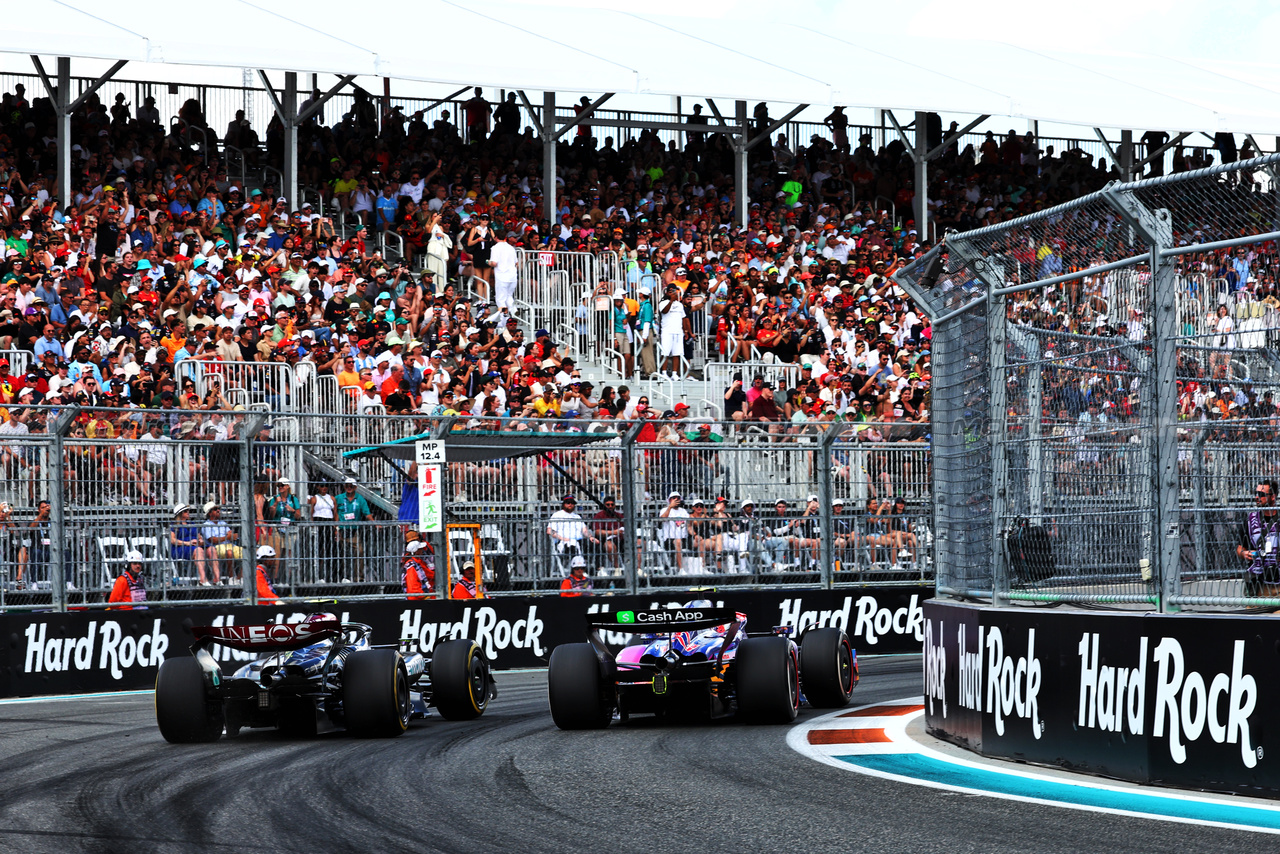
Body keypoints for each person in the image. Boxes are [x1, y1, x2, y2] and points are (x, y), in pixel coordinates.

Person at [1238, 479, 1280, 596]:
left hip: (1278, 580)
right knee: (1252, 612)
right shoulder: (1251, 520)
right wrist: (1244, 554)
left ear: (1273, 497)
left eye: (1261, 495)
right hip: (1257, 581)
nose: (1257, 497)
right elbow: (1240, 548)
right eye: (1256, 493)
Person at [336, 477, 372, 582]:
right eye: (347, 486)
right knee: (341, 554)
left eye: (351, 486)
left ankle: (359, 577)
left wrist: (375, 523)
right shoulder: (338, 498)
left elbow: (367, 513)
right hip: (341, 530)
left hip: (354, 531)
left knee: (359, 552)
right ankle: (342, 577)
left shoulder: (360, 499)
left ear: (355, 487)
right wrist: (336, 527)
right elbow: (334, 512)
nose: (349, 488)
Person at [200, 501, 242, 585]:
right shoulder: (206, 525)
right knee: (229, 553)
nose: (218, 510)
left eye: (218, 509)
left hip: (229, 545)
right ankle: (231, 578)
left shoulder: (223, 523)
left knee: (248, 553)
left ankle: (240, 578)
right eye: (215, 509)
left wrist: (231, 536)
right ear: (209, 513)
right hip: (217, 547)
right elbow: (213, 540)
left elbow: (231, 533)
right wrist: (228, 537)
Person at [169, 503, 210, 585]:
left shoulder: (192, 524)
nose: (188, 512)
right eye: (185, 511)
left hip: (195, 546)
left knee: (211, 549)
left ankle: (217, 579)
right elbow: (172, 540)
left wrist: (201, 540)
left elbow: (199, 536)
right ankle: (203, 579)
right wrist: (187, 543)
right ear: (180, 514)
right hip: (181, 548)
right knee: (198, 550)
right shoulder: (174, 526)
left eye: (188, 510)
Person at [547, 493, 596, 563]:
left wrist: (590, 537)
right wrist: (563, 538)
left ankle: (597, 569)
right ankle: (576, 568)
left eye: (572, 503)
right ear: (564, 504)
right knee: (572, 547)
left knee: (595, 544)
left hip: (579, 541)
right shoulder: (557, 515)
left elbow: (584, 530)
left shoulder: (577, 517)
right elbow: (549, 531)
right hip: (563, 542)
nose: (570, 504)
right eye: (568, 503)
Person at [490, 229, 519, 316]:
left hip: (502, 276)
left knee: (500, 299)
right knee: (509, 296)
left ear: (496, 237)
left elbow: (494, 263)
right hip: (512, 276)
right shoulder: (511, 248)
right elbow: (516, 263)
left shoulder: (495, 248)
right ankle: (514, 311)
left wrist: (488, 262)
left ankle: (504, 317)